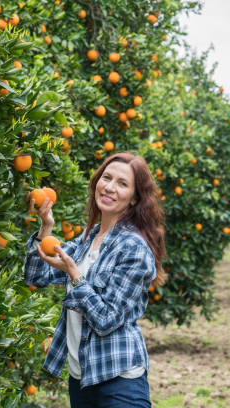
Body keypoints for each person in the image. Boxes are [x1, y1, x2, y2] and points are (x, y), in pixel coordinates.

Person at [23, 152, 167, 407]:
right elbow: (36, 276)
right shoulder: (86, 241)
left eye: (122, 184)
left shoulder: (133, 248)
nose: (110, 187)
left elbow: (105, 319)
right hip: (81, 379)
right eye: (106, 178)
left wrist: (75, 275)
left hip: (118, 380)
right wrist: (46, 228)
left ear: (134, 198)